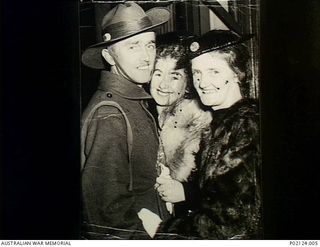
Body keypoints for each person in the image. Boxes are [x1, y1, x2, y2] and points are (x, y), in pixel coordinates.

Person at [80, 2, 171, 239]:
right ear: (109, 55)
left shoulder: (132, 100)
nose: (146, 57)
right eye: (133, 46)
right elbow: (108, 214)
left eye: (150, 44)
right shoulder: (110, 113)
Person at [160, 30, 262, 239]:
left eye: (214, 71)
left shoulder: (247, 125)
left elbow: (228, 221)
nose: (203, 82)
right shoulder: (223, 122)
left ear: (237, 73)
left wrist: (163, 231)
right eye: (197, 73)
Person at [149, 32, 212, 217]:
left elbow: (221, 188)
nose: (164, 84)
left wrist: (186, 192)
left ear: (187, 84)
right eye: (158, 73)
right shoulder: (142, 113)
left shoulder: (200, 121)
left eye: (175, 76)